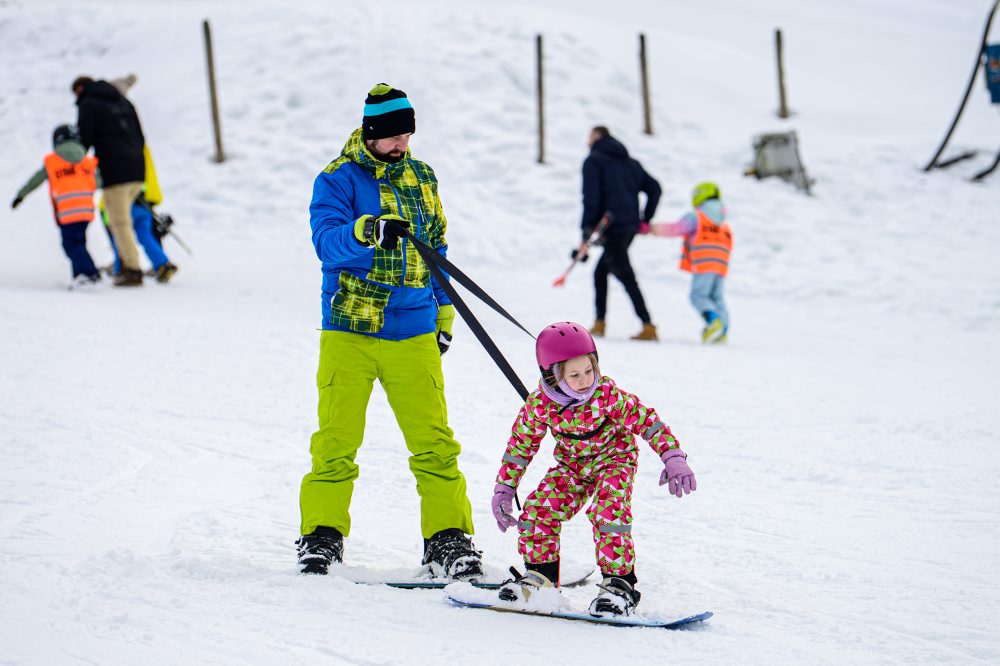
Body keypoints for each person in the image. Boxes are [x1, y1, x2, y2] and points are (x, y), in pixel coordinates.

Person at [296, 83, 482, 580]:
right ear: (370, 133)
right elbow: (326, 243)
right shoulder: (336, 179)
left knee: (435, 443)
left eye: (407, 134)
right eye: (393, 136)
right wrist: (367, 230)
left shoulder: (422, 176)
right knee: (335, 442)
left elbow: (437, 246)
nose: (402, 144)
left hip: (413, 327)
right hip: (350, 328)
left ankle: (447, 540)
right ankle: (321, 538)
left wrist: (444, 311)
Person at [490, 322, 697, 617]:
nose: (585, 379)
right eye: (574, 375)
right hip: (572, 467)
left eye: (589, 370)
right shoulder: (541, 405)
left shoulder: (608, 396)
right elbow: (520, 445)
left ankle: (619, 585)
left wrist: (672, 456)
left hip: (614, 461)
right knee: (537, 510)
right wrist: (505, 487)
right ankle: (540, 578)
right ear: (552, 375)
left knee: (608, 511)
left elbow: (647, 421)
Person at [580, 126, 661, 341]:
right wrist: (644, 219)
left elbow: (591, 197)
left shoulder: (594, 161)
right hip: (628, 228)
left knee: (625, 275)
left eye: (589, 137)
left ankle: (648, 325)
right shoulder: (631, 164)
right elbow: (655, 188)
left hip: (611, 227)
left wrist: (587, 229)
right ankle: (600, 323)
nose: (587, 142)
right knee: (601, 272)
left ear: (597, 137)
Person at [72, 75, 146, 286]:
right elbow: (140, 136)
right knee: (124, 220)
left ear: (80, 88)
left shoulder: (89, 104)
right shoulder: (124, 101)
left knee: (119, 222)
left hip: (115, 171)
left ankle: (132, 269)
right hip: (137, 169)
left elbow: (85, 139)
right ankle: (123, 263)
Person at [11, 124, 102, 288]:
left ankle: (90, 274)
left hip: (67, 212)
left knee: (71, 244)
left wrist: (20, 195)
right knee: (79, 242)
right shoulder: (86, 162)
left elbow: (36, 180)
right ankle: (80, 276)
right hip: (86, 211)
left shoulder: (53, 161)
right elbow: (99, 182)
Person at [643, 181, 732, 343]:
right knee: (717, 296)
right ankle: (723, 330)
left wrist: (653, 229)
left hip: (705, 261)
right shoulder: (722, 219)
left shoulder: (697, 216)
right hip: (721, 263)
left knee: (698, 295)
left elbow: (677, 228)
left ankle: (713, 322)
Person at [100, 146, 178, 283]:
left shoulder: (113, 148)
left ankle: (120, 268)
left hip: (122, 201)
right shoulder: (140, 148)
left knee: (119, 235)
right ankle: (162, 263)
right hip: (142, 201)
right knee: (145, 235)